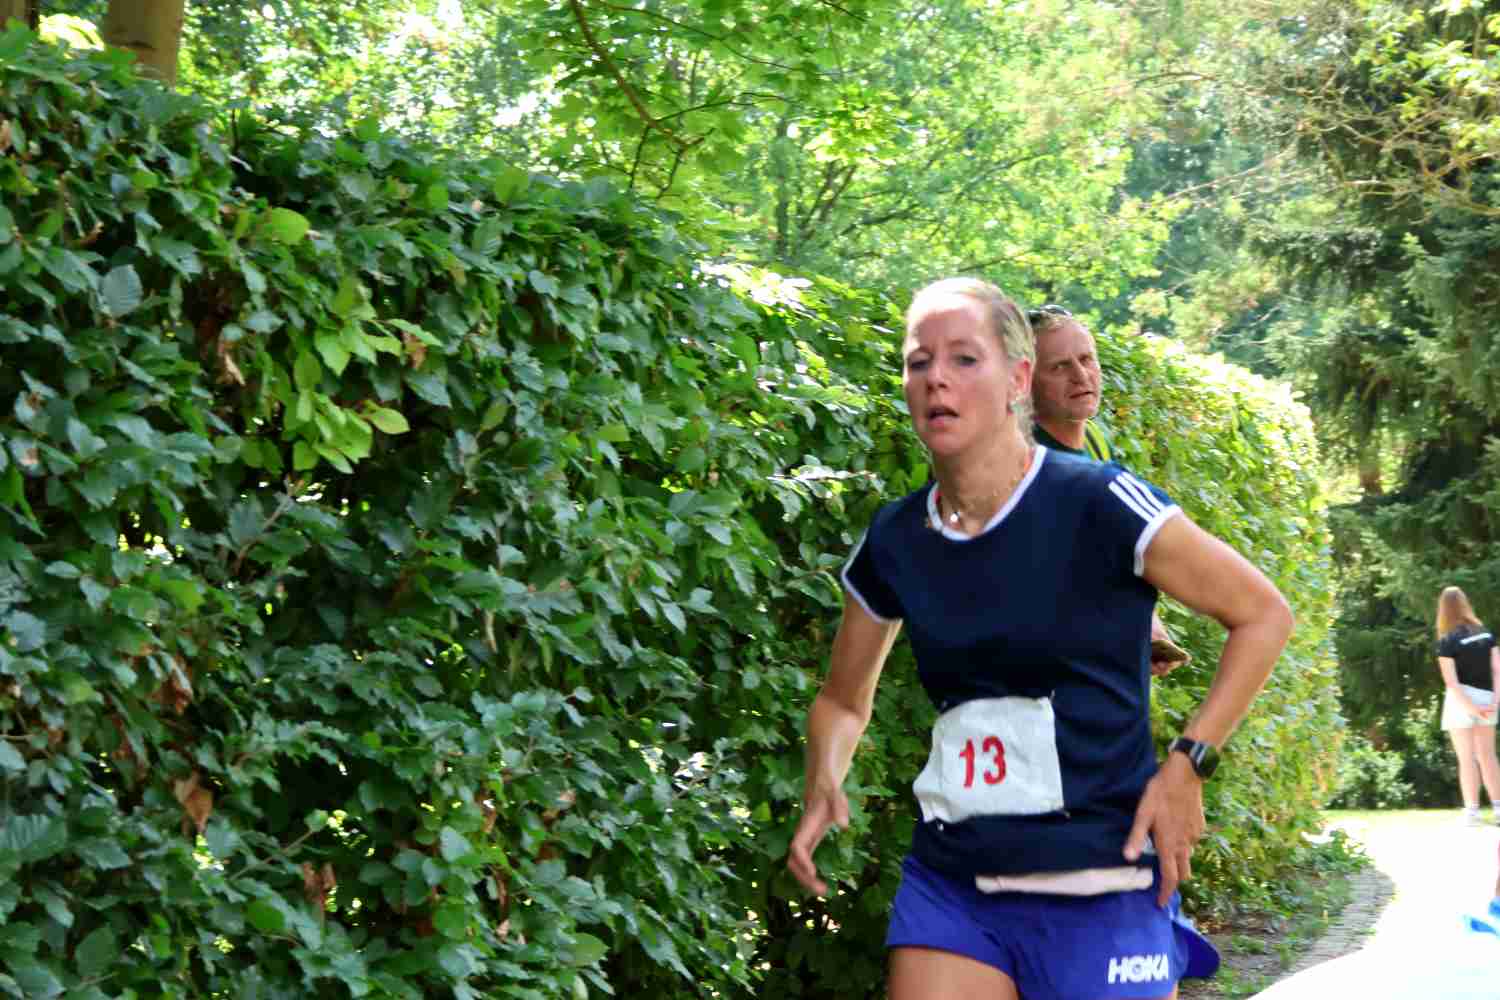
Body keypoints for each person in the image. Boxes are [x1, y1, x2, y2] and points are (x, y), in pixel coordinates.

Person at [787, 277, 1295, 1000]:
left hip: (1104, 877)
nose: (935, 378)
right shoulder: (896, 538)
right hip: (956, 882)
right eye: (917, 361)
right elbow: (843, 701)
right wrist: (823, 778)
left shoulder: (1098, 501)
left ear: (1017, 380)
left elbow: (1263, 613)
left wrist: (1189, 761)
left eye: (964, 359)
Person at [1027, 302, 1188, 678]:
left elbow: (1118, 550)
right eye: (1059, 366)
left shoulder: (1096, 442)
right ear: (1023, 381)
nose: (1081, 375)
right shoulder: (1023, 466)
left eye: (1086, 358)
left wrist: (1147, 623)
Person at [1434, 585, 1500, 826]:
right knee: (1488, 756)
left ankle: (1472, 812)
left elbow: (1451, 682)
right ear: (1464, 603)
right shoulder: (1485, 633)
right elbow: (1497, 670)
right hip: (1488, 699)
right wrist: (1494, 701)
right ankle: (1498, 808)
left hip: (1462, 702)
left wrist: (1470, 708)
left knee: (1466, 758)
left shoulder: (1447, 641)